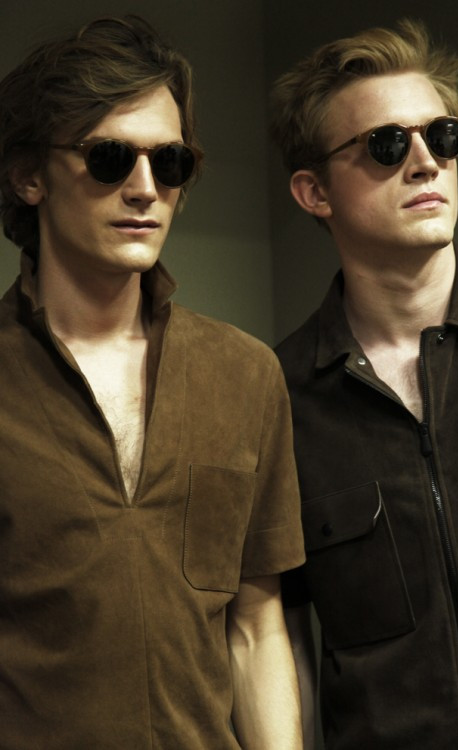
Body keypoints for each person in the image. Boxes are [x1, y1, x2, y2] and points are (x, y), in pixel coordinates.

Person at [0, 15, 305, 750]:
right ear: (30, 176)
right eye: (109, 158)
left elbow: (255, 628)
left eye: (170, 163)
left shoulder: (244, 373)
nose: (145, 189)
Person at [270, 17, 458, 750]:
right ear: (314, 191)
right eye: (388, 144)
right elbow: (278, 642)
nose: (427, 162)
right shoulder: (276, 397)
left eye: (444, 136)